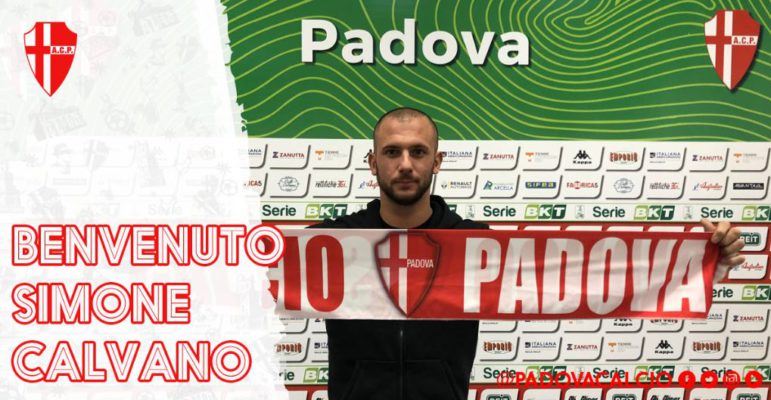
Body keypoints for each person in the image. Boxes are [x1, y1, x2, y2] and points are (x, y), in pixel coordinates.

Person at [309, 107, 745, 400]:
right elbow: (265, 277)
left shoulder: (477, 244)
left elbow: (590, 279)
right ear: (373, 163)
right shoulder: (328, 243)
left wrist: (707, 265)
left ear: (437, 162)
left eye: (418, 152)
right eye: (392, 152)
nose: (406, 164)